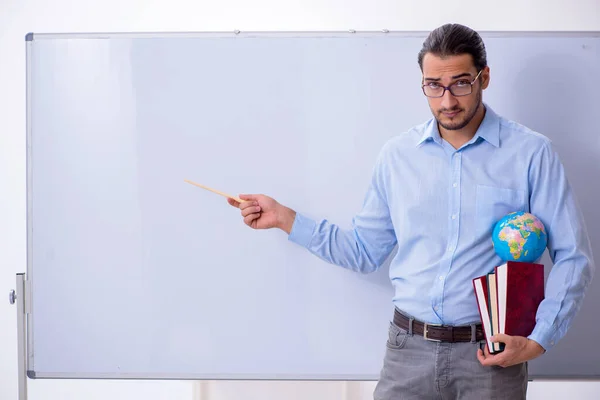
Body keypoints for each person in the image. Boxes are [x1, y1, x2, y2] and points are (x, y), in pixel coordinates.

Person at [227, 23, 595, 399]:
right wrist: (283, 218)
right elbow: (364, 251)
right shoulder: (397, 156)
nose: (447, 101)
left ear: (484, 77)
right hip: (407, 352)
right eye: (434, 86)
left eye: (461, 83)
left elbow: (573, 257)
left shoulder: (531, 154)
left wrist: (538, 340)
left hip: (490, 356)